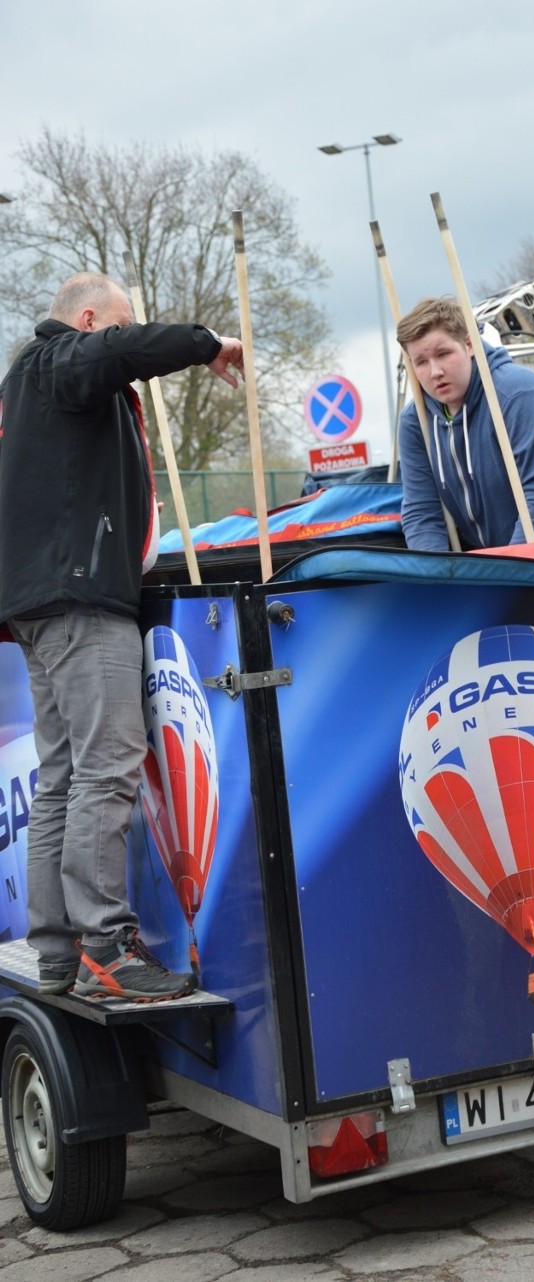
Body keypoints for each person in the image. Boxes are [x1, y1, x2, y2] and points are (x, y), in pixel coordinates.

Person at [0, 272, 244, 999]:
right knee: (107, 767)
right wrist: (205, 345)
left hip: (44, 606)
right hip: (81, 603)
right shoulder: (59, 363)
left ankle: (57, 949)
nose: (123, 336)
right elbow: (118, 353)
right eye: (116, 325)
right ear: (86, 321)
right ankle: (107, 945)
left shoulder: (30, 386)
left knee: (64, 778)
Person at [396, 296, 534, 550]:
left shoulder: (519, 394)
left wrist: (507, 574)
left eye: (443, 354)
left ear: (469, 344)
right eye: (421, 361)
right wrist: (438, 582)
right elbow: (422, 512)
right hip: (496, 563)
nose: (435, 371)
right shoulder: (416, 422)